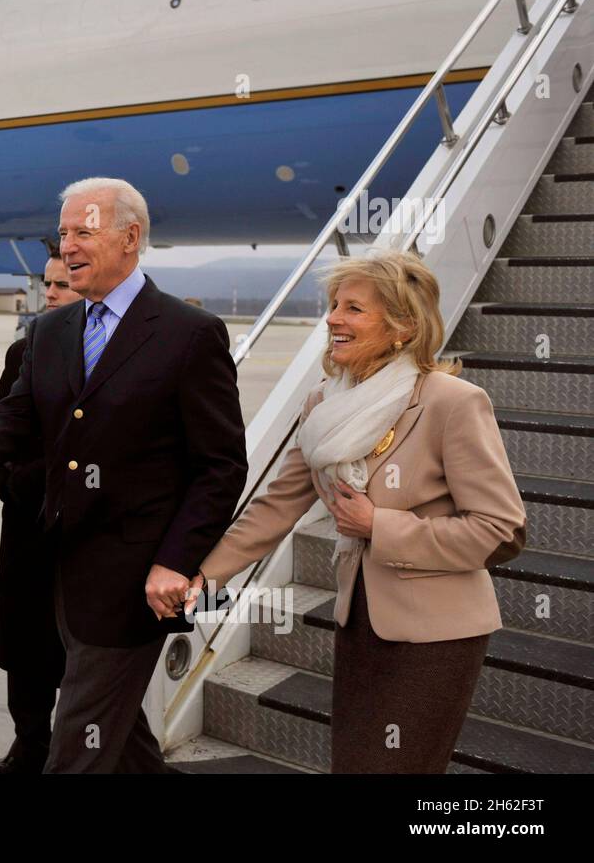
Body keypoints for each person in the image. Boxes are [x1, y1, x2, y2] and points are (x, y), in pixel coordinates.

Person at [0, 178, 248, 772]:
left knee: (78, 739)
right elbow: (19, 416)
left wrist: (178, 561)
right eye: (63, 233)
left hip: (137, 582)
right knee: (120, 731)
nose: (68, 245)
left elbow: (221, 466)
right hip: (62, 568)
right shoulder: (53, 331)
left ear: (130, 238)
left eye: (84, 231)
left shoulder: (189, 335)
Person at [188, 249, 526, 774]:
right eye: (333, 305)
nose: (333, 319)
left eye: (353, 309)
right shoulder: (325, 403)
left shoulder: (451, 402)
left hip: (437, 633)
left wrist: (380, 526)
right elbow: (278, 505)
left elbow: (502, 530)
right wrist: (203, 577)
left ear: (402, 326)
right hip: (362, 620)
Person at [0, 248, 81, 774]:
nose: (51, 293)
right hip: (25, 525)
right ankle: (28, 746)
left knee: (79, 654)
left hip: (82, 533)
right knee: (22, 645)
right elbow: (3, 420)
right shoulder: (25, 350)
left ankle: (73, 754)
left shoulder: (114, 354)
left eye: (64, 286)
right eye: (49, 283)